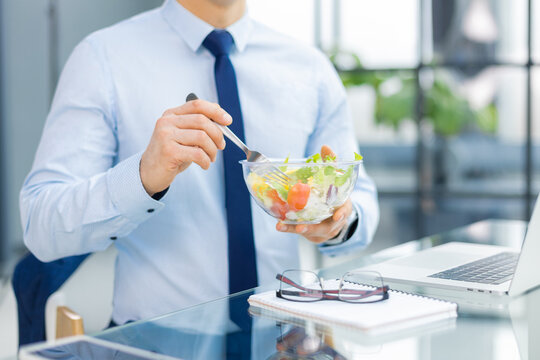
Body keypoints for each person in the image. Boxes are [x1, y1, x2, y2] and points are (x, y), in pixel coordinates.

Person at [19, 0, 379, 326]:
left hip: (284, 339)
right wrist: (143, 177)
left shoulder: (310, 67)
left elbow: (359, 202)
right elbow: (41, 226)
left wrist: (338, 220)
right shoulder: (102, 58)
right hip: (156, 342)